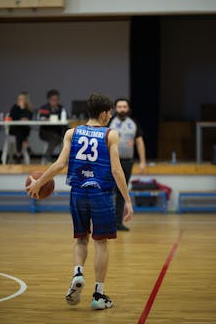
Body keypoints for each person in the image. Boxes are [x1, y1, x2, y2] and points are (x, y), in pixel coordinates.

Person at [26, 93, 133, 310]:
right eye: (110, 111)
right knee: (101, 243)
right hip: (100, 193)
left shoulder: (71, 133)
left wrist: (38, 184)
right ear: (104, 114)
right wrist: (128, 200)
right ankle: (98, 295)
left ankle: (78, 273)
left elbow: (58, 164)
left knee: (81, 239)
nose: (111, 115)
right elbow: (116, 169)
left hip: (77, 193)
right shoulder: (110, 135)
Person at [109, 98, 146, 231]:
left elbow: (139, 142)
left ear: (128, 108)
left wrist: (142, 161)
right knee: (108, 191)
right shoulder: (109, 122)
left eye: (124, 106)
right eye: (119, 107)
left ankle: (118, 223)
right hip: (110, 161)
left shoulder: (133, 123)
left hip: (127, 162)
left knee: (121, 192)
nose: (122, 109)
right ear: (115, 108)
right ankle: (106, 222)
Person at [38, 89, 68, 163]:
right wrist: (48, 119)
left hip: (58, 132)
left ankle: (63, 160)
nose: (55, 101)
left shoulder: (61, 108)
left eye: (57, 99)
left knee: (65, 138)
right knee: (55, 138)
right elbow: (41, 118)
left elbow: (66, 118)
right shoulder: (44, 108)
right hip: (45, 132)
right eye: (53, 99)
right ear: (49, 99)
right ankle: (47, 156)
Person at [9, 92, 33, 164]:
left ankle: (18, 156)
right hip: (14, 129)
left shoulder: (29, 108)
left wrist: (23, 109)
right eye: (19, 99)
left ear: (25, 100)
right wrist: (19, 109)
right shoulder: (14, 107)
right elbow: (12, 117)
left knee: (21, 132)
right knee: (19, 131)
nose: (20, 100)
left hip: (24, 130)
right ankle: (27, 146)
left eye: (22, 99)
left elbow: (29, 117)